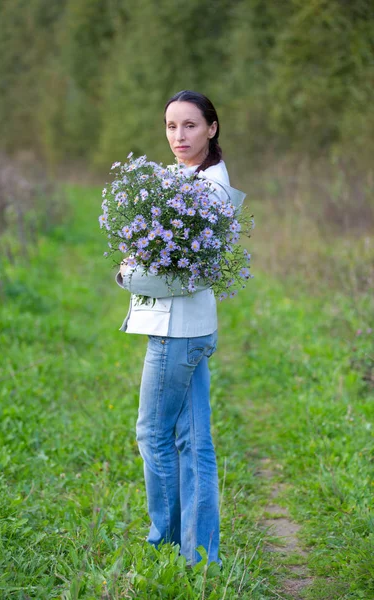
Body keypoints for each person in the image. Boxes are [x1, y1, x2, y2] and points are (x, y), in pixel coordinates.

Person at [116, 90, 244, 566]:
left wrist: (126, 273)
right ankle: (200, 555)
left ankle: (164, 544)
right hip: (183, 328)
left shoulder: (209, 189)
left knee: (152, 434)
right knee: (193, 441)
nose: (179, 136)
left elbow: (185, 274)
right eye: (171, 126)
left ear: (212, 127)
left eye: (190, 125)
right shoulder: (177, 177)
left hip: (180, 331)